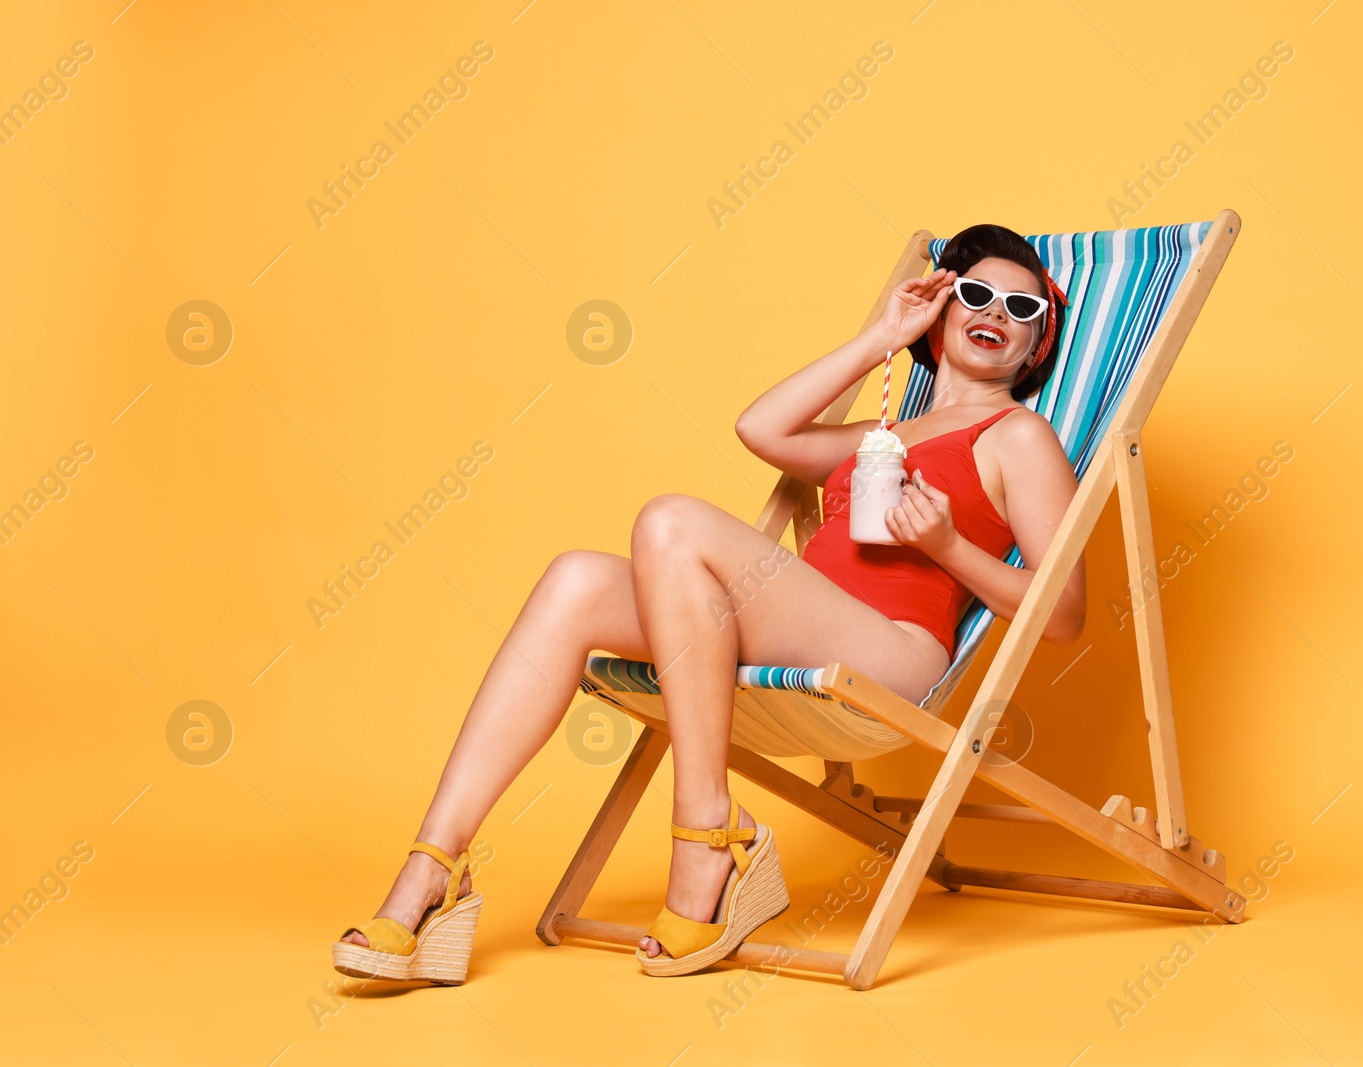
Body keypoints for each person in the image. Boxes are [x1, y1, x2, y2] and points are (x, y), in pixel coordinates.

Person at [331, 222, 1089, 983]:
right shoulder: (882, 433)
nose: (997, 312)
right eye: (978, 294)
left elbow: (1063, 616)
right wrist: (883, 338)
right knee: (573, 580)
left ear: (1036, 345)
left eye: (1022, 308)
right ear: (942, 311)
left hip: (892, 653)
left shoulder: (1018, 437)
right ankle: (432, 871)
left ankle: (706, 835)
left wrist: (949, 548)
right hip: (796, 629)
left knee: (671, 521)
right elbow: (760, 427)